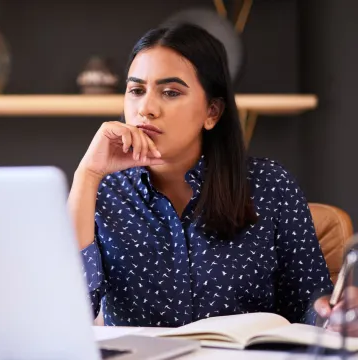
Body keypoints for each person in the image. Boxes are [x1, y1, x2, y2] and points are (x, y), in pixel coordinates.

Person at [68, 23, 334, 328]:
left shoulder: (270, 185)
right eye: (136, 90)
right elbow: (67, 312)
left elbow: (310, 308)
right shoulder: (103, 190)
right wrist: (87, 175)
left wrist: (336, 315)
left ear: (212, 112)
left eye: (170, 92)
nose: (146, 108)